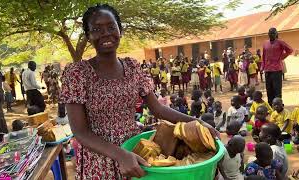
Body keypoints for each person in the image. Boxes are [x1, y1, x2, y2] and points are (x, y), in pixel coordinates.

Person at [59, 5, 218, 179]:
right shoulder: (77, 73)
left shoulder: (132, 67)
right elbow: (80, 131)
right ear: (89, 36)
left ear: (121, 30)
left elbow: (158, 109)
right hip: (99, 157)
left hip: (136, 151)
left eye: (111, 27)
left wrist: (198, 123)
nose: (105, 33)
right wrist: (120, 155)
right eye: (96, 29)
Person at [262, 28, 293, 106]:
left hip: (277, 70)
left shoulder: (280, 42)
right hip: (267, 70)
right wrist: (262, 66)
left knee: (277, 90)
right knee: (269, 89)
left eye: (273, 33)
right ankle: (270, 106)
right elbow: (264, 56)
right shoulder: (265, 43)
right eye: (269, 33)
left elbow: (290, 50)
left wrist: (281, 57)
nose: (271, 34)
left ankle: (279, 106)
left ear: (276, 34)